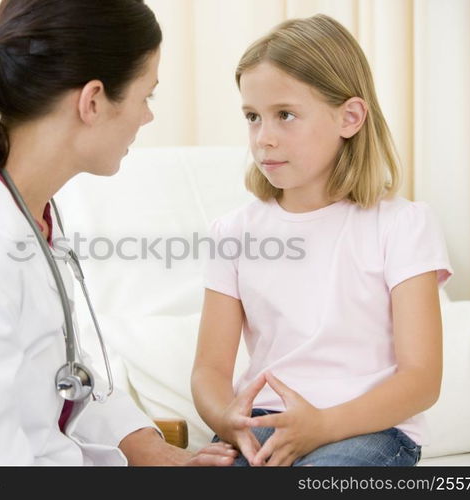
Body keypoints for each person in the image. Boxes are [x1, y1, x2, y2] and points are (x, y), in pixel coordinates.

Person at [0, 0, 237, 466]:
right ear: (92, 101)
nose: (146, 117)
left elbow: (65, 373)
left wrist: (151, 451)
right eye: (146, 96)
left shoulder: (28, 215)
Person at [191, 14, 452, 467]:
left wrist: (322, 427)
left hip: (367, 431)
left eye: (285, 115)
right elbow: (210, 370)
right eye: (253, 117)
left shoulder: (402, 225)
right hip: (262, 425)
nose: (264, 139)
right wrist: (226, 416)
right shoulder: (231, 234)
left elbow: (422, 379)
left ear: (349, 117)